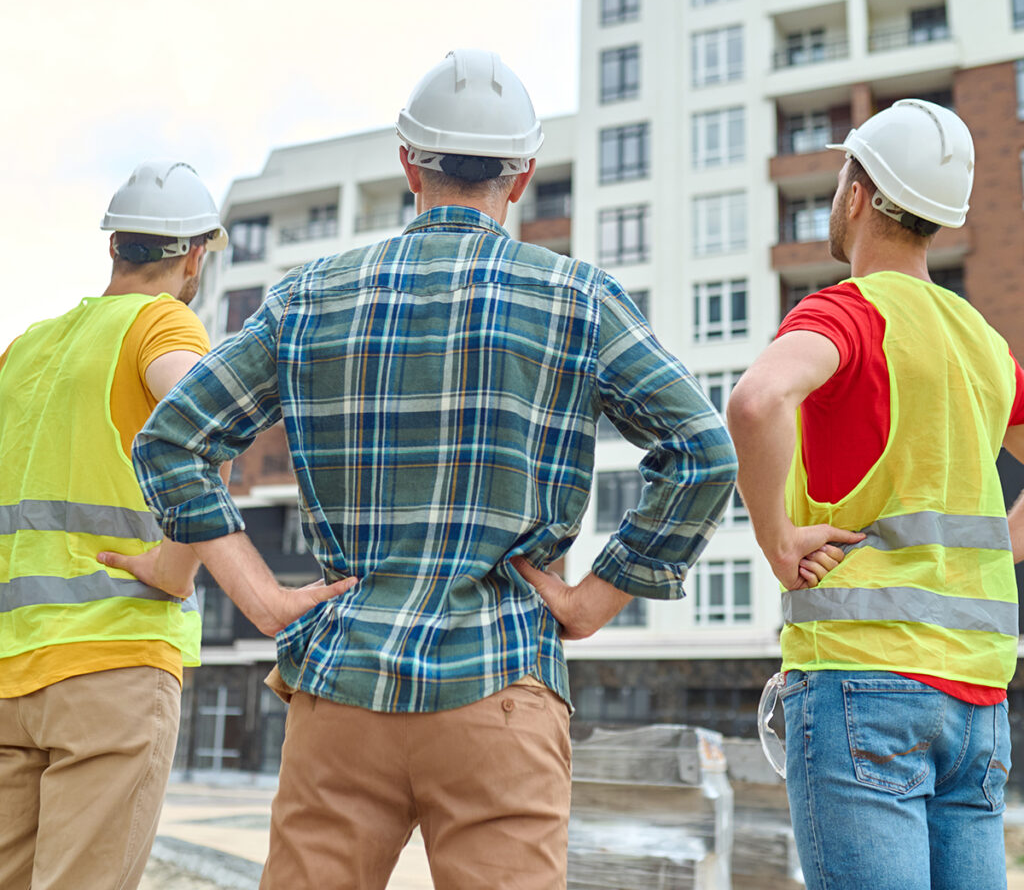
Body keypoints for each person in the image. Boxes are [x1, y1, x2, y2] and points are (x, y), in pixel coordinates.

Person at [127, 49, 738, 889]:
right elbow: (703, 450)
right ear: (520, 178)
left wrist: (263, 599)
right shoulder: (578, 300)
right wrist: (597, 599)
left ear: (408, 163)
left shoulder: (310, 297)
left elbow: (172, 440)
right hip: (502, 682)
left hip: (343, 683)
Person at [727, 98, 1024, 890]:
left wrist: (776, 539)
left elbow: (755, 402)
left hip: (862, 681)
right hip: (979, 703)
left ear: (856, 193)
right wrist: (1005, 537)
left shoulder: (848, 314)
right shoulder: (983, 344)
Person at [0, 161, 226, 890]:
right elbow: (206, 423)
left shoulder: (24, 349)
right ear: (194, 255)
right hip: (112, 666)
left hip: (9, 676)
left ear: (114, 248)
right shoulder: (161, 320)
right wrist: (178, 566)